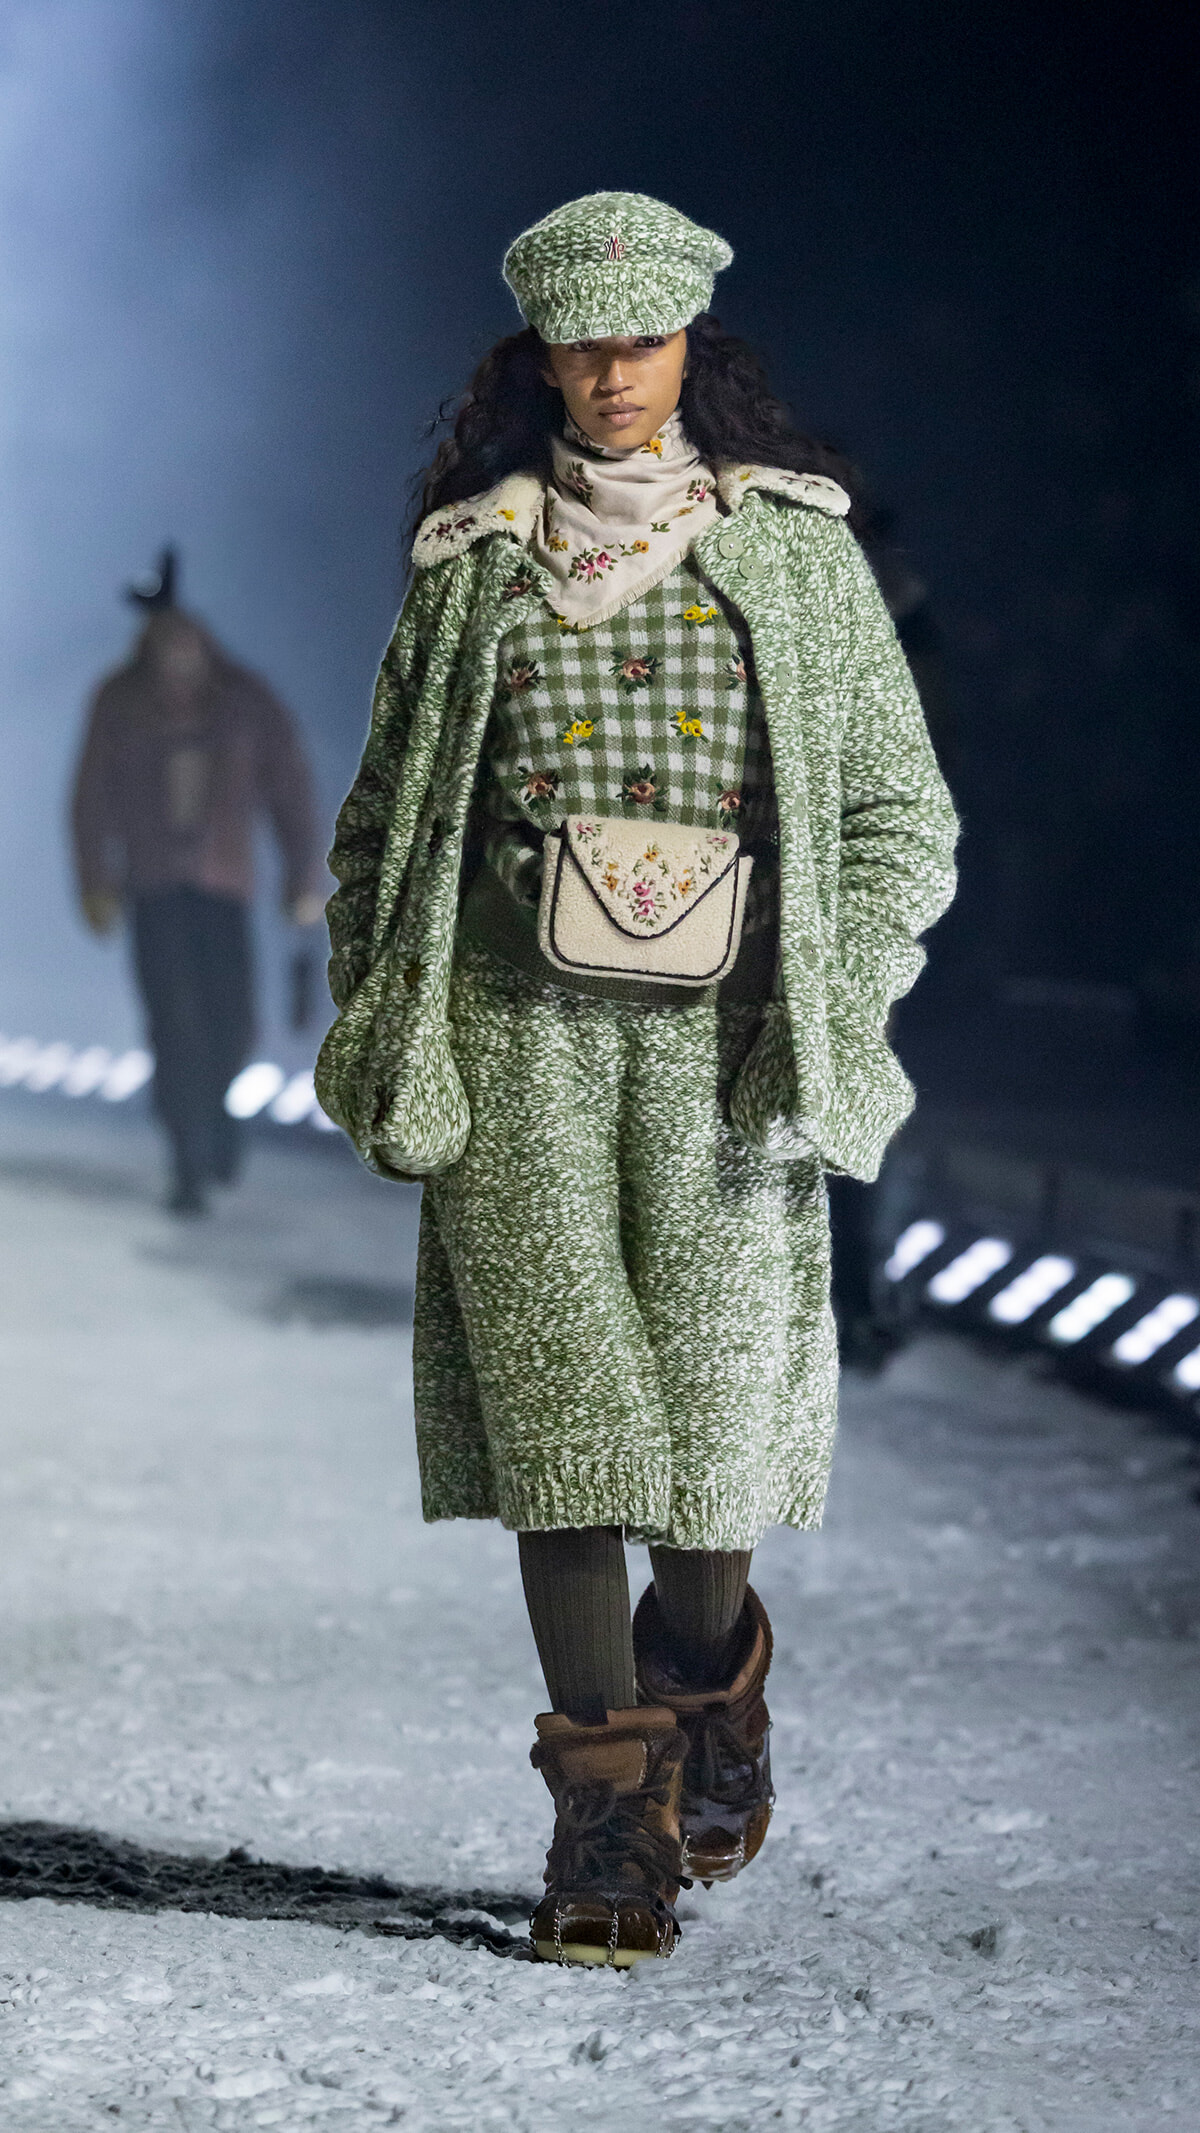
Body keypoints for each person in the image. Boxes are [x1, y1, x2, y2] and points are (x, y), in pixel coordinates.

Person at [316, 192, 958, 1965]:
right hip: (515, 1044)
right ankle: (609, 1821)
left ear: (692, 346)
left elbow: (903, 815)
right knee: (568, 1434)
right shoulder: (476, 570)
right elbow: (383, 828)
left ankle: (711, 1693)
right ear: (539, 355)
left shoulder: (794, 558)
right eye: (579, 345)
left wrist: (842, 981)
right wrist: (384, 997)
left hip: (729, 1049)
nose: (610, 374)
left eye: (642, 341)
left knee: (708, 1448)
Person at [71, 552, 325, 1213]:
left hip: (224, 884)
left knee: (231, 1022)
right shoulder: (119, 700)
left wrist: (302, 877)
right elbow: (90, 794)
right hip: (153, 887)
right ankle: (186, 1158)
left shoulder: (245, 700)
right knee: (174, 1023)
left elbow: (289, 790)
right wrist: (95, 878)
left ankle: (214, 1117)